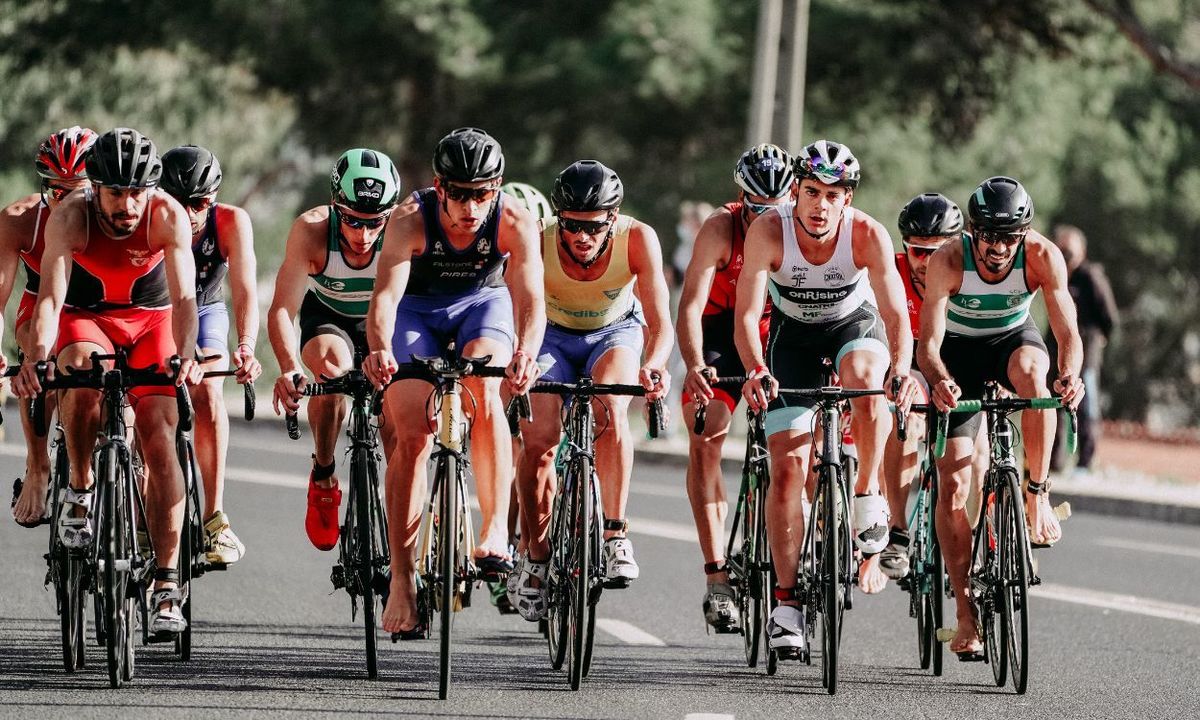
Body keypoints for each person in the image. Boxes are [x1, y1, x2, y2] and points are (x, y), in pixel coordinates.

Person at [13, 127, 203, 634]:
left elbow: (186, 299)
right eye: (116, 192)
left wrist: (187, 355)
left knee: (160, 435)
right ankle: (80, 487)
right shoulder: (70, 216)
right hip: (87, 318)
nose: (128, 204)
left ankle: (166, 584)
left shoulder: (167, 215)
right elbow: (50, 301)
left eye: (137, 191)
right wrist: (37, 358)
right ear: (94, 188)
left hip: (152, 322)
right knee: (77, 374)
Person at [734, 139, 918, 654]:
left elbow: (896, 314)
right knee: (788, 471)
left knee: (866, 376)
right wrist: (755, 368)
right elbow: (746, 314)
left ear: (847, 198)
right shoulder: (769, 230)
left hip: (851, 327)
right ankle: (786, 603)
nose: (820, 206)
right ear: (795, 191)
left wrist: (902, 369)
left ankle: (867, 493)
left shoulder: (866, 234)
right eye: (811, 192)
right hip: (792, 339)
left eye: (832, 195)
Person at [361, 127, 544, 638]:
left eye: (481, 194)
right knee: (412, 437)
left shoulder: (514, 220)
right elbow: (385, 298)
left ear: (497, 188)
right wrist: (378, 347)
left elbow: (531, 299)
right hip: (417, 310)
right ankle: (402, 578)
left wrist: (526, 353)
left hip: (482, 305)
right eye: (459, 194)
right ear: (439, 187)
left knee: (484, 389)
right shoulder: (409, 218)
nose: (470, 207)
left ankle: (495, 530)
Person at [917, 175, 1085, 659]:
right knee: (953, 484)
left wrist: (1070, 376)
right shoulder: (948, 259)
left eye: (1009, 237)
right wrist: (940, 380)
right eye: (988, 235)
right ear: (972, 231)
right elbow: (929, 344)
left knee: (1037, 377)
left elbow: (1067, 332)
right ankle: (965, 615)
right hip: (959, 354)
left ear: (1023, 234)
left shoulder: (1042, 256)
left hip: (1012, 340)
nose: (998, 247)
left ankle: (1036, 494)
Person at [507, 160, 672, 622]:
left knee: (611, 409)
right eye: (572, 225)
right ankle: (537, 556)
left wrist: (655, 364)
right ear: (558, 217)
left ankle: (615, 533)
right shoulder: (536, 240)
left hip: (613, 333)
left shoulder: (638, 239)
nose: (582, 237)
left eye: (594, 227)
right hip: (550, 337)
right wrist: (518, 357)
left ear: (613, 219)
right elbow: (516, 306)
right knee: (539, 441)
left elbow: (660, 321)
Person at [677, 143, 794, 632]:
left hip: (777, 328)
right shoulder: (720, 228)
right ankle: (717, 576)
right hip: (721, 329)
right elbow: (690, 305)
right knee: (707, 433)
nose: (765, 219)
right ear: (740, 197)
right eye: (755, 208)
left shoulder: (802, 226)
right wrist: (695, 364)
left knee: (805, 438)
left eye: (775, 209)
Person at [268, 147, 402, 551]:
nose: (363, 235)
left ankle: (402, 503)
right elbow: (282, 310)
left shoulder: (403, 230)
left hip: (386, 319)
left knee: (397, 410)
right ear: (334, 205)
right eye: (352, 220)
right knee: (333, 370)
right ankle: (324, 473)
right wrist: (289, 367)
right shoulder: (311, 230)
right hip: (329, 316)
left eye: (375, 223)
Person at [160, 145, 261, 565]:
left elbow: (246, 291)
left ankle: (214, 518)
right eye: (177, 202)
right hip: (157, 310)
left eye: (199, 204)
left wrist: (246, 346)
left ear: (213, 199)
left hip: (204, 309)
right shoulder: (151, 219)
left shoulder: (231, 221)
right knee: (146, 399)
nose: (188, 214)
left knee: (209, 394)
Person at [2, 126, 96, 527]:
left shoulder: (113, 215)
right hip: (41, 302)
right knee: (38, 357)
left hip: (99, 307)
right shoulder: (20, 219)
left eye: (79, 191)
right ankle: (38, 466)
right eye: (58, 190)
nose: (68, 201)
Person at [877, 193, 963, 579]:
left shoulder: (968, 274)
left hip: (955, 365)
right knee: (907, 420)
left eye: (937, 252)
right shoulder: (890, 274)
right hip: (908, 361)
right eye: (918, 252)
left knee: (979, 451)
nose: (927, 263)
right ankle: (897, 530)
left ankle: (978, 536)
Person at [1047, 224, 1117, 475]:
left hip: (1086, 356)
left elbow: (1109, 317)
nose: (1065, 257)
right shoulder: (1055, 275)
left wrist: (1099, 340)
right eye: (1061, 251)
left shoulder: (1091, 277)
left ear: (1082, 252)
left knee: (1085, 407)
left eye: (1070, 252)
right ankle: (1054, 462)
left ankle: (1085, 463)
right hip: (1056, 354)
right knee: (1053, 405)